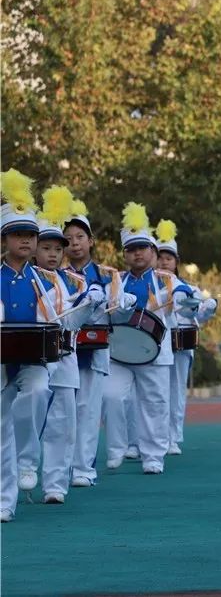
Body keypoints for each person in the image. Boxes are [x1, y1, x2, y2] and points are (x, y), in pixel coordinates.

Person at [15, 186, 104, 505]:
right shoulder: (28, 278)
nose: (53, 253)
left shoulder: (76, 282)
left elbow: (76, 320)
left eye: (58, 248)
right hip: (33, 357)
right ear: (36, 247)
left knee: (63, 423)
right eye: (47, 247)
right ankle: (22, 469)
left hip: (65, 355)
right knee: (27, 413)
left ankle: (55, 485)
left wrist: (91, 304)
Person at [103, 203, 194, 474]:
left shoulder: (166, 279)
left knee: (155, 402)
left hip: (155, 351)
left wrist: (181, 298)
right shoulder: (116, 281)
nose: (137, 254)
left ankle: (153, 455)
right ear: (125, 255)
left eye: (142, 248)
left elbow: (187, 295)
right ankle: (118, 448)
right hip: (119, 353)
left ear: (153, 252)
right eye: (131, 249)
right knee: (112, 396)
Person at [1, 170, 59, 522]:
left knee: (38, 392)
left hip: (34, 360)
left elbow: (65, 317)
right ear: (5, 239)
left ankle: (28, 460)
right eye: (17, 234)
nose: (25, 241)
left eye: (30, 235)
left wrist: (90, 304)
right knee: (1, 429)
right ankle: (5, 501)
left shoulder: (48, 279)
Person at [64, 200, 121, 487]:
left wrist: (121, 303)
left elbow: (118, 311)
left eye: (80, 237)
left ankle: (83, 468)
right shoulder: (55, 274)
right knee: (64, 409)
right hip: (63, 350)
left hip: (95, 348)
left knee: (88, 408)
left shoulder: (108, 275)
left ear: (91, 241)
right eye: (68, 239)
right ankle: (60, 467)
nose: (74, 244)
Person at [155, 219, 217, 456]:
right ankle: (148, 438)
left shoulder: (189, 288)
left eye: (168, 258)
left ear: (176, 262)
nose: (164, 262)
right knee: (153, 393)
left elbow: (198, 314)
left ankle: (172, 437)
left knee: (176, 390)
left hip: (180, 346)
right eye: (160, 257)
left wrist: (208, 308)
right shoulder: (147, 286)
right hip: (153, 346)